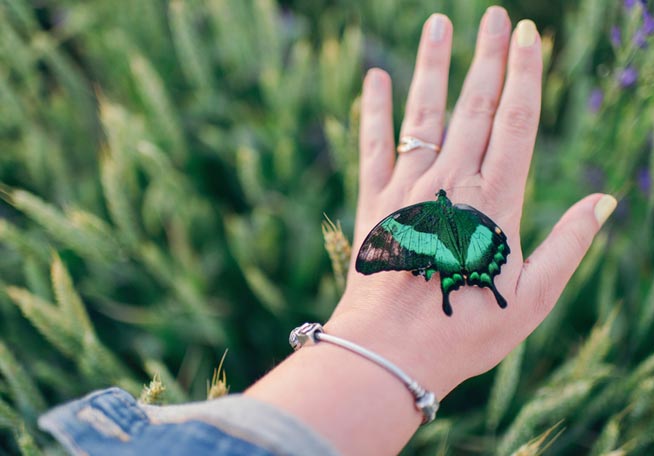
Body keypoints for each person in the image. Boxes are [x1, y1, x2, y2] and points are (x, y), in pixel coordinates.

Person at [39, 7, 617, 456]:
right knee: (464, 255)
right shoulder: (436, 225)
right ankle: (466, 276)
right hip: (465, 246)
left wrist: (385, 337)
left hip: (437, 250)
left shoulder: (410, 227)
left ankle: (456, 277)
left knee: (451, 256)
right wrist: (389, 339)